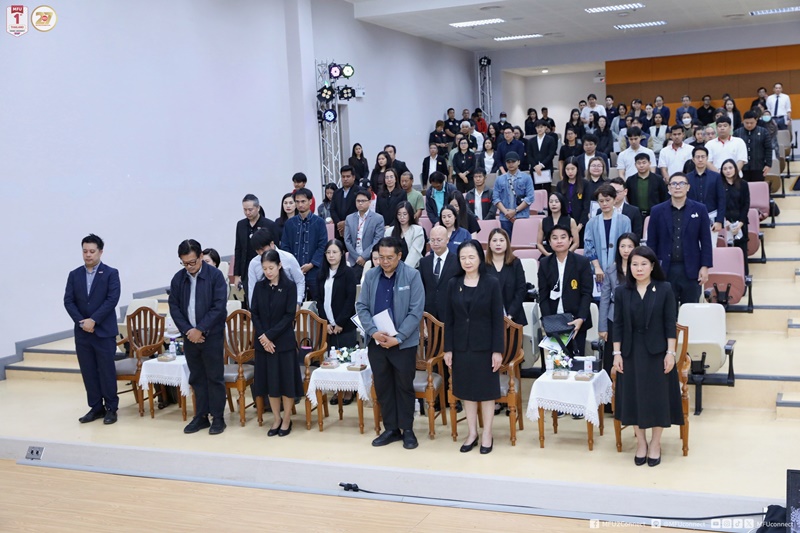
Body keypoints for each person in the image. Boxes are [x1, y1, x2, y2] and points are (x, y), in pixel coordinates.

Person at [612, 245, 683, 467]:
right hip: (630, 352)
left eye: (644, 264)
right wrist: (616, 354)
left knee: (657, 398)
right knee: (633, 397)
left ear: (652, 266)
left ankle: (655, 443)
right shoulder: (622, 291)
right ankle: (641, 443)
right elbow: (618, 325)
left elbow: (670, 323)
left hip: (658, 352)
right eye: (634, 264)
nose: (639, 268)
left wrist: (671, 352)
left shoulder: (664, 289)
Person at [356, 237, 425, 450]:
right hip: (377, 342)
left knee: (404, 387)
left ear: (399, 256)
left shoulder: (412, 275)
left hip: (403, 344)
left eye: (389, 258)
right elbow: (361, 306)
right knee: (384, 386)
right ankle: (391, 429)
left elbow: (416, 310)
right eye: (381, 257)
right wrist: (374, 332)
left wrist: (399, 337)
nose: (384, 262)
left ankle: (408, 430)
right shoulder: (371, 276)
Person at [443, 240, 505, 455]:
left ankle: (487, 433)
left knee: (486, 393)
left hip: (485, 347)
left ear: (480, 258)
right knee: (467, 391)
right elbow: (449, 320)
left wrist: (497, 350)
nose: (467, 261)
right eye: (463, 258)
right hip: (461, 347)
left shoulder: (491, 283)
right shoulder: (453, 283)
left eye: (471, 257)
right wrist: (448, 349)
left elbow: (497, 320)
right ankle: (472, 433)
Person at [168, 239, 228, 435]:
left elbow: (218, 307)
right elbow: (174, 307)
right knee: (197, 378)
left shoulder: (215, 276)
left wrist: (200, 329)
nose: (189, 267)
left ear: (201, 256)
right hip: (190, 337)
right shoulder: (179, 279)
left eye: (192, 262)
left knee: (214, 377)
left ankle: (218, 418)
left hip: (212, 336)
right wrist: (189, 331)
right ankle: (201, 416)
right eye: (185, 263)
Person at [64, 234, 121, 425]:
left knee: (106, 371)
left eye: (92, 251)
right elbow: (68, 301)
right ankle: (96, 407)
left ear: (100, 252)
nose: (88, 255)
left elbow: (112, 299)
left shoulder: (111, 273)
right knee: (88, 371)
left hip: (104, 331)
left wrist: (94, 320)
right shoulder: (74, 275)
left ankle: (111, 408)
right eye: (85, 251)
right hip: (83, 333)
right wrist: (82, 322)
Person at [251, 249, 302, 438]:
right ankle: (276, 418)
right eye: (264, 269)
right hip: (264, 345)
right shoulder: (259, 286)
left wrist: (269, 336)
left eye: (271, 268)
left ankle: (287, 419)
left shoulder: (289, 286)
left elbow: (289, 315)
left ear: (279, 265)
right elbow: (254, 313)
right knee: (271, 384)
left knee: (286, 384)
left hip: (283, 343)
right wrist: (263, 337)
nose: (268, 272)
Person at [646, 173, 713, 307]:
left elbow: (706, 241)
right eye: (674, 184)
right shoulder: (657, 211)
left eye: (682, 183)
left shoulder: (700, 209)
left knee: (691, 310)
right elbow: (651, 243)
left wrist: (705, 267)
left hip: (691, 269)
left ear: (688, 187)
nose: (677, 187)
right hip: (665, 269)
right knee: (666, 310)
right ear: (668, 188)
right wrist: (651, 268)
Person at [537, 224, 594, 357]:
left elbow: (586, 294)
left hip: (576, 321)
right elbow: (543, 296)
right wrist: (548, 321)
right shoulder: (545, 263)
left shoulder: (582, 262)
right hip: (554, 322)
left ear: (570, 240)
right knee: (556, 362)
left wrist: (581, 318)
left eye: (563, 237)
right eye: (555, 238)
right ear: (549, 242)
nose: (559, 241)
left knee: (576, 361)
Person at [598, 233, 639, 394]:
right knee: (611, 358)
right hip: (614, 318)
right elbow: (604, 299)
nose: (626, 250)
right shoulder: (611, 270)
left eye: (630, 246)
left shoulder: (640, 268)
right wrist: (602, 326)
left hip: (636, 319)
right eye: (623, 246)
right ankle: (610, 398)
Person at [280, 188, 328, 301]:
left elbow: (322, 246)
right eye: (297, 202)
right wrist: (293, 265)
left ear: (310, 201)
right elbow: (285, 246)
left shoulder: (319, 222)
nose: (300, 205)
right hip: (293, 271)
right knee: (294, 302)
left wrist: (311, 264)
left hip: (315, 270)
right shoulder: (290, 223)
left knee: (318, 301)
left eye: (303, 201)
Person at [234, 194, 279, 306]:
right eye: (245, 210)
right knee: (250, 299)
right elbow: (238, 249)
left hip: (265, 268)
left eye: (250, 209)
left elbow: (275, 248)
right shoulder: (241, 225)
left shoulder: (269, 224)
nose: (247, 213)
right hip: (246, 269)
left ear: (258, 208)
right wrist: (237, 275)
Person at [247, 228, 304, 310]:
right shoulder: (254, 263)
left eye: (262, 249)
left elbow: (300, 281)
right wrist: (254, 309)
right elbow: (252, 288)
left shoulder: (288, 258)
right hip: (265, 306)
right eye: (257, 251)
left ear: (272, 244)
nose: (260, 253)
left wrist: (298, 302)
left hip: (287, 303)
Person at [584, 184, 632, 280]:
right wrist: (597, 267)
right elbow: (589, 246)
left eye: (608, 200)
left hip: (619, 269)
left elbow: (627, 245)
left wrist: (615, 266)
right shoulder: (591, 223)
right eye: (601, 201)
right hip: (597, 270)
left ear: (614, 200)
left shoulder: (625, 220)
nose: (604, 204)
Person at [317, 239, 358, 352]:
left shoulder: (348, 273)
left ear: (342, 253)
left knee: (346, 358)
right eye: (328, 252)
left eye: (334, 252)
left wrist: (340, 323)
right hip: (327, 327)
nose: (331, 255)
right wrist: (325, 322)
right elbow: (319, 300)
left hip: (345, 326)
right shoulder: (321, 274)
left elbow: (350, 300)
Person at [485, 229, 527, 327]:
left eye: (501, 240)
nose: (498, 244)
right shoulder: (483, 265)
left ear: (507, 243)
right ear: (489, 244)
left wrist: (510, 316)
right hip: (488, 319)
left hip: (514, 317)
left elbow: (521, 290)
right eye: (494, 240)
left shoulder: (516, 263)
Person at [418, 225, 459, 321]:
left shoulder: (457, 261)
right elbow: (421, 288)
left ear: (447, 240)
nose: (435, 243)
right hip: (429, 312)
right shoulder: (424, 262)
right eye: (432, 240)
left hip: (450, 311)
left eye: (439, 240)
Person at [345, 188, 385, 281]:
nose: (360, 203)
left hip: (371, 259)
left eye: (363, 201)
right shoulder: (349, 218)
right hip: (354, 260)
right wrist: (357, 257)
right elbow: (347, 240)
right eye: (358, 201)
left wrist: (364, 256)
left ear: (369, 202)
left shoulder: (378, 218)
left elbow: (377, 240)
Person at [492, 151, 534, 237]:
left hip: (522, 216)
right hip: (504, 217)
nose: (511, 164)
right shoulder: (499, 179)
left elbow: (530, 198)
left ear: (518, 162)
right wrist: (506, 212)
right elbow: (495, 198)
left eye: (513, 162)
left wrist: (515, 211)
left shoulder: (526, 178)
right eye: (508, 162)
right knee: (506, 242)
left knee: (522, 241)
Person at [721, 158, 752, 274]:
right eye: (725, 169)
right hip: (725, 223)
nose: (728, 171)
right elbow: (719, 204)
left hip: (740, 222)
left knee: (741, 251)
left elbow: (746, 204)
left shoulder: (743, 184)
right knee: (726, 251)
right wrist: (725, 221)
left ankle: (744, 276)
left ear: (735, 169)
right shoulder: (719, 185)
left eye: (730, 168)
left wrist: (740, 223)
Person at [686, 146, 725, 233]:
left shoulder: (716, 177)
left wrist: (719, 220)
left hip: (712, 216)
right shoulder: (687, 178)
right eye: (697, 157)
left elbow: (721, 199)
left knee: (711, 242)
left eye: (703, 157)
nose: (700, 160)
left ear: (707, 158)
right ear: (693, 159)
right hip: (691, 218)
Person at [557, 157, 590, 244]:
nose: (570, 172)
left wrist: (580, 225)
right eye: (567, 169)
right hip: (564, 221)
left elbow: (586, 206)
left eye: (572, 169)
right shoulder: (560, 185)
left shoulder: (585, 184)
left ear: (577, 169)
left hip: (580, 221)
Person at [734, 110, 773, 183]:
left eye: (751, 123)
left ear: (756, 121)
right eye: (746, 123)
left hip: (759, 167)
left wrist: (768, 164)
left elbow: (768, 149)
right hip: (742, 168)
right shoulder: (737, 133)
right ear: (743, 121)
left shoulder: (764, 132)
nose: (749, 125)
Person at [625, 153, 668, 218]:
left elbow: (664, 196)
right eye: (639, 163)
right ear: (635, 165)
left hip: (654, 213)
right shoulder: (630, 180)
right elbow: (628, 197)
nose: (641, 165)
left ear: (649, 163)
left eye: (644, 162)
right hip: (636, 214)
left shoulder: (658, 179)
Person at [537, 192, 580, 256]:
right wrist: (547, 254)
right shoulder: (543, 222)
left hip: (567, 254)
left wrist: (566, 254)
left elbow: (576, 243)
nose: (553, 204)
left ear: (561, 203)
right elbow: (539, 243)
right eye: (551, 202)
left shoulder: (571, 221)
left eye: (556, 202)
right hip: (549, 254)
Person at [387, 201, 425, 269]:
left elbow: (414, 253)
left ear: (410, 214)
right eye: (399, 214)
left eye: (405, 214)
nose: (402, 217)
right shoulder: (389, 231)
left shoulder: (417, 230)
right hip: (392, 267)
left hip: (412, 268)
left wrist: (404, 270)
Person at [527, 119, 558, 190]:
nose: (539, 129)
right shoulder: (531, 141)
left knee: (546, 189)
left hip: (547, 167)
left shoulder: (550, 139)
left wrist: (541, 165)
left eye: (541, 127)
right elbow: (529, 155)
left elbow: (551, 154)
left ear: (545, 127)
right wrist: (535, 166)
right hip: (534, 169)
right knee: (536, 190)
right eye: (537, 127)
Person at [330, 165, 359, 240]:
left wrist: (346, 222)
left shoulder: (360, 191)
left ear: (353, 177)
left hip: (354, 228)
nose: (345, 179)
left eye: (348, 176)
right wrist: (339, 223)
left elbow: (359, 209)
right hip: (339, 230)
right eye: (343, 177)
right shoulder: (337, 192)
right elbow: (332, 209)